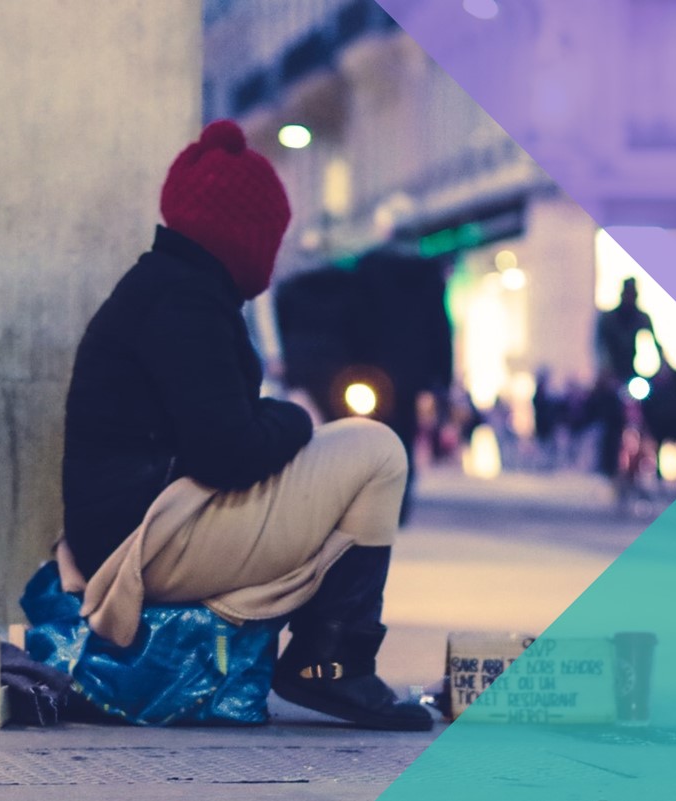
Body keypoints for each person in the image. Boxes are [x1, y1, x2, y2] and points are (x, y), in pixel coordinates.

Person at [59, 120, 432, 731]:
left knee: (355, 442)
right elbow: (228, 452)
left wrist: (282, 423)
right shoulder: (183, 302)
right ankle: (331, 662)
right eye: (270, 235)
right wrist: (292, 417)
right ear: (244, 233)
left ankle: (329, 654)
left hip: (145, 524)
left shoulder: (171, 288)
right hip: (142, 545)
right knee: (378, 449)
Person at [595, 277, 659, 385]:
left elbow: (655, 344)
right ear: (622, 294)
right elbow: (600, 346)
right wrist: (605, 368)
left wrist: (661, 369)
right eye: (628, 294)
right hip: (612, 371)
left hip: (633, 371)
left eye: (632, 295)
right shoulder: (608, 319)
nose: (630, 298)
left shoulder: (642, 318)